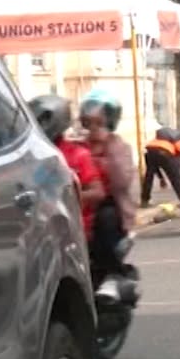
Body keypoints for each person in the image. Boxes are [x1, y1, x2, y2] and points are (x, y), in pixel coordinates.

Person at [79, 89, 138, 304]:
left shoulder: (119, 147)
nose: (94, 128)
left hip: (109, 205)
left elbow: (121, 182)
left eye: (99, 122)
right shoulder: (78, 147)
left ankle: (115, 273)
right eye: (90, 122)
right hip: (78, 203)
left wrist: (107, 152)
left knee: (105, 218)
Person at [32, 94, 106, 235]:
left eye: (42, 120)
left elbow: (98, 193)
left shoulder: (78, 155)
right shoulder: (36, 156)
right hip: (44, 229)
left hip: (75, 229)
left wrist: (67, 198)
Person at [141, 127, 180, 206]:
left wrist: (161, 178)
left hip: (149, 151)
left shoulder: (156, 140)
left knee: (149, 176)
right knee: (175, 177)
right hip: (165, 153)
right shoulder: (179, 141)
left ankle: (144, 200)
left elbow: (155, 167)